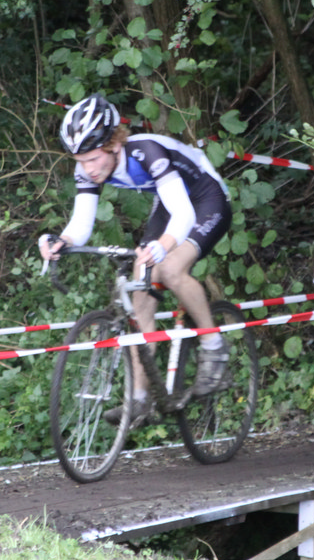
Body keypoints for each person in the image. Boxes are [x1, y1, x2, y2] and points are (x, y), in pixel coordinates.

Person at [39, 93, 232, 426]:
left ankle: (214, 347)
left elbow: (184, 215)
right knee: (140, 291)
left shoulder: (148, 152)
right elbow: (81, 225)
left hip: (206, 199)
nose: (87, 168)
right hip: (170, 202)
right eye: (81, 160)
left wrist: (164, 246)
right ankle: (139, 399)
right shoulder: (89, 167)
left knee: (169, 268)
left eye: (93, 159)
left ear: (115, 144)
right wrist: (60, 241)